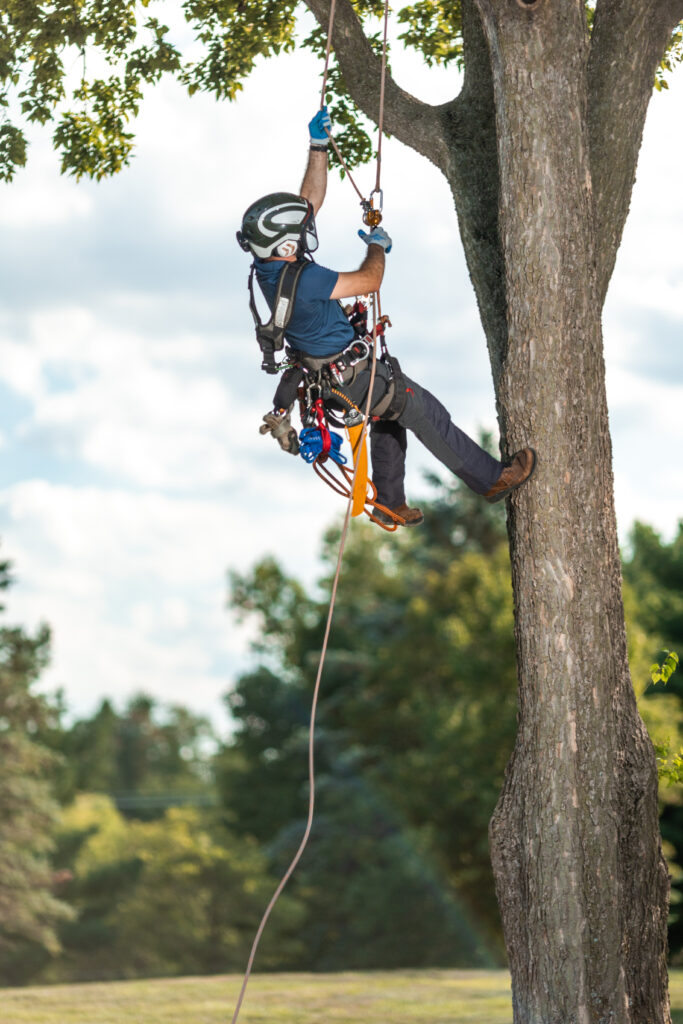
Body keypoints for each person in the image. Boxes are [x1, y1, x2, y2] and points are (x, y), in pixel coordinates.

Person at [237, 108, 536, 526]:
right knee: (421, 410)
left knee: (389, 413)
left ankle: (388, 502)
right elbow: (369, 280)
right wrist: (376, 245)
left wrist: (318, 147)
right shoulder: (304, 280)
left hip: (332, 376)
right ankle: (491, 479)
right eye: (299, 237)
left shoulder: (268, 265)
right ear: (286, 247)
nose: (306, 234)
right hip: (350, 377)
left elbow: (309, 202)